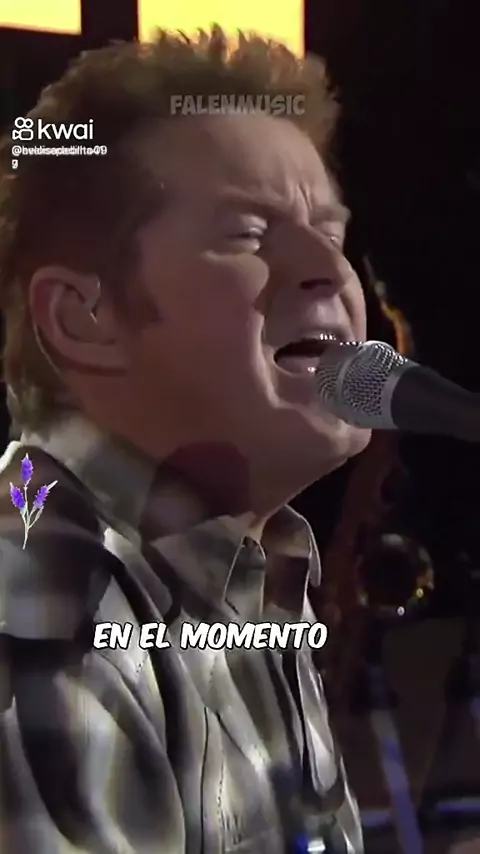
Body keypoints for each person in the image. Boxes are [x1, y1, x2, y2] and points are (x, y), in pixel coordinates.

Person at [0, 28, 370, 853]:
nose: (332, 272)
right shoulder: (46, 602)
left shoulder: (238, 565)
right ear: (84, 319)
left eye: (331, 233)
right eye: (246, 234)